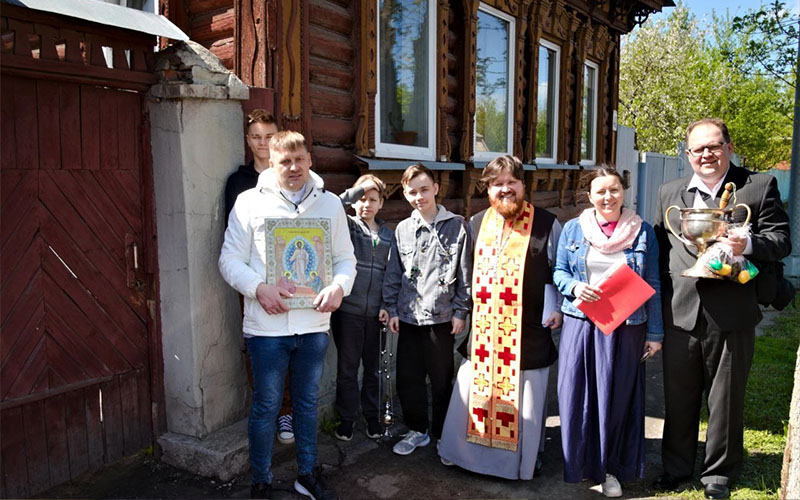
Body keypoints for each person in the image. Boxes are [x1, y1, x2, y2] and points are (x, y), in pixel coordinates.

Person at [653, 118, 791, 500]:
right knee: (679, 396)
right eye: (698, 149)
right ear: (688, 155)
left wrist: (745, 245)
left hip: (732, 311)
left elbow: (781, 241)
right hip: (680, 311)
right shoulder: (670, 192)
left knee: (725, 397)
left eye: (714, 146)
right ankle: (676, 467)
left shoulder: (758, 186)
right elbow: (660, 249)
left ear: (728, 147)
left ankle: (719, 473)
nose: (706, 155)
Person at [219, 131, 356, 500]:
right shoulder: (249, 203)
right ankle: (261, 480)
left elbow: (346, 258)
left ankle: (307, 473)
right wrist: (258, 288)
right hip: (266, 328)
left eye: (299, 159)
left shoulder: (329, 206)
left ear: (310, 159)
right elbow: (229, 260)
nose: (293, 167)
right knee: (266, 405)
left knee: (308, 405)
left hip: (313, 324)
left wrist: (339, 286)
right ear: (272, 162)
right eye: (285, 161)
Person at [437, 155, 563, 480]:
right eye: (497, 184)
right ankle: (466, 456)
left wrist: (558, 307)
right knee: (473, 396)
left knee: (526, 408)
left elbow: (561, 272)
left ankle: (522, 462)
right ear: (487, 188)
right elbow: (465, 275)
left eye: (512, 182)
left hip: (528, 334)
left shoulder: (548, 224)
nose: (505, 189)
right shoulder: (477, 223)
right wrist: (461, 312)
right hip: (483, 338)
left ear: (524, 185)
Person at [553, 168, 663, 498]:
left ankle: (612, 468)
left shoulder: (643, 232)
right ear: (590, 196)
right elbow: (558, 272)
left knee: (618, 399)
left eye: (614, 190)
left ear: (623, 192)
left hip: (627, 328)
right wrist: (574, 286)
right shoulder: (573, 229)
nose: (608, 197)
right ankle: (582, 464)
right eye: (600, 191)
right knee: (577, 398)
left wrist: (655, 333)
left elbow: (653, 282)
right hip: (582, 324)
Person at [382, 163, 472, 456]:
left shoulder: (457, 226)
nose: (419, 196)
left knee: (442, 378)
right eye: (412, 192)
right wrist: (391, 308)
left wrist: (461, 311)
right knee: (408, 377)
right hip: (408, 317)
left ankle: (443, 432)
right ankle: (417, 430)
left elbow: (465, 273)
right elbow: (394, 273)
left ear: (435, 189)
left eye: (424, 189)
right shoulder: (403, 230)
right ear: (406, 195)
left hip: (442, 318)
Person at [223, 110, 295, 446]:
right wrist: (254, 283)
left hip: (293, 279)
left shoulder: (294, 178)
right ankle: (268, 407)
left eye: (269, 136)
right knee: (260, 346)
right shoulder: (239, 183)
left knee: (293, 344)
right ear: (247, 140)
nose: (263, 143)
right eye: (256, 136)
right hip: (254, 281)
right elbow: (233, 240)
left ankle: (287, 411)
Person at [331, 175, 394, 441]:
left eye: (372, 199)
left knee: (374, 369)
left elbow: (392, 275)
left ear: (381, 203)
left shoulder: (389, 235)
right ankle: (346, 419)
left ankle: (373, 417)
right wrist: (354, 191)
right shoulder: (347, 226)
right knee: (347, 369)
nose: (366, 204)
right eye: (361, 199)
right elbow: (333, 204)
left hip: (375, 315)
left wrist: (386, 305)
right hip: (348, 312)